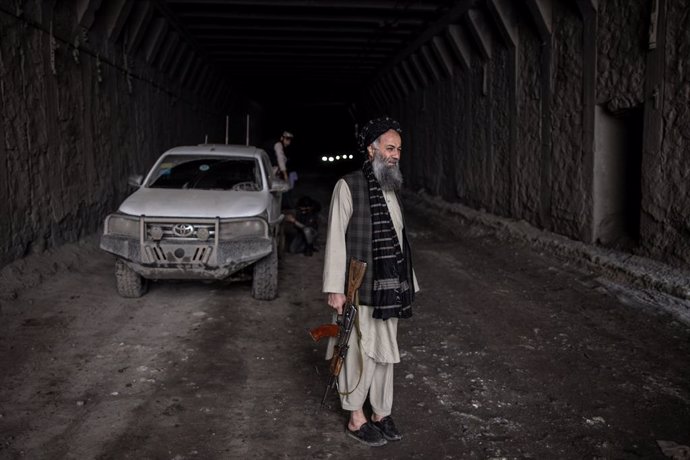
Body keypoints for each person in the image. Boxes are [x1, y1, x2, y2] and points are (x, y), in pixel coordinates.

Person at [322, 116, 419, 447]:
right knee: (359, 352)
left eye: (399, 150)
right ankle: (356, 417)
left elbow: (399, 240)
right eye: (389, 148)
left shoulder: (391, 187)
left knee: (385, 352)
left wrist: (409, 281)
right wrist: (335, 288)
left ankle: (380, 412)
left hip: (390, 290)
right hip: (360, 286)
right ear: (371, 149)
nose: (395, 155)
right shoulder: (347, 185)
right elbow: (336, 238)